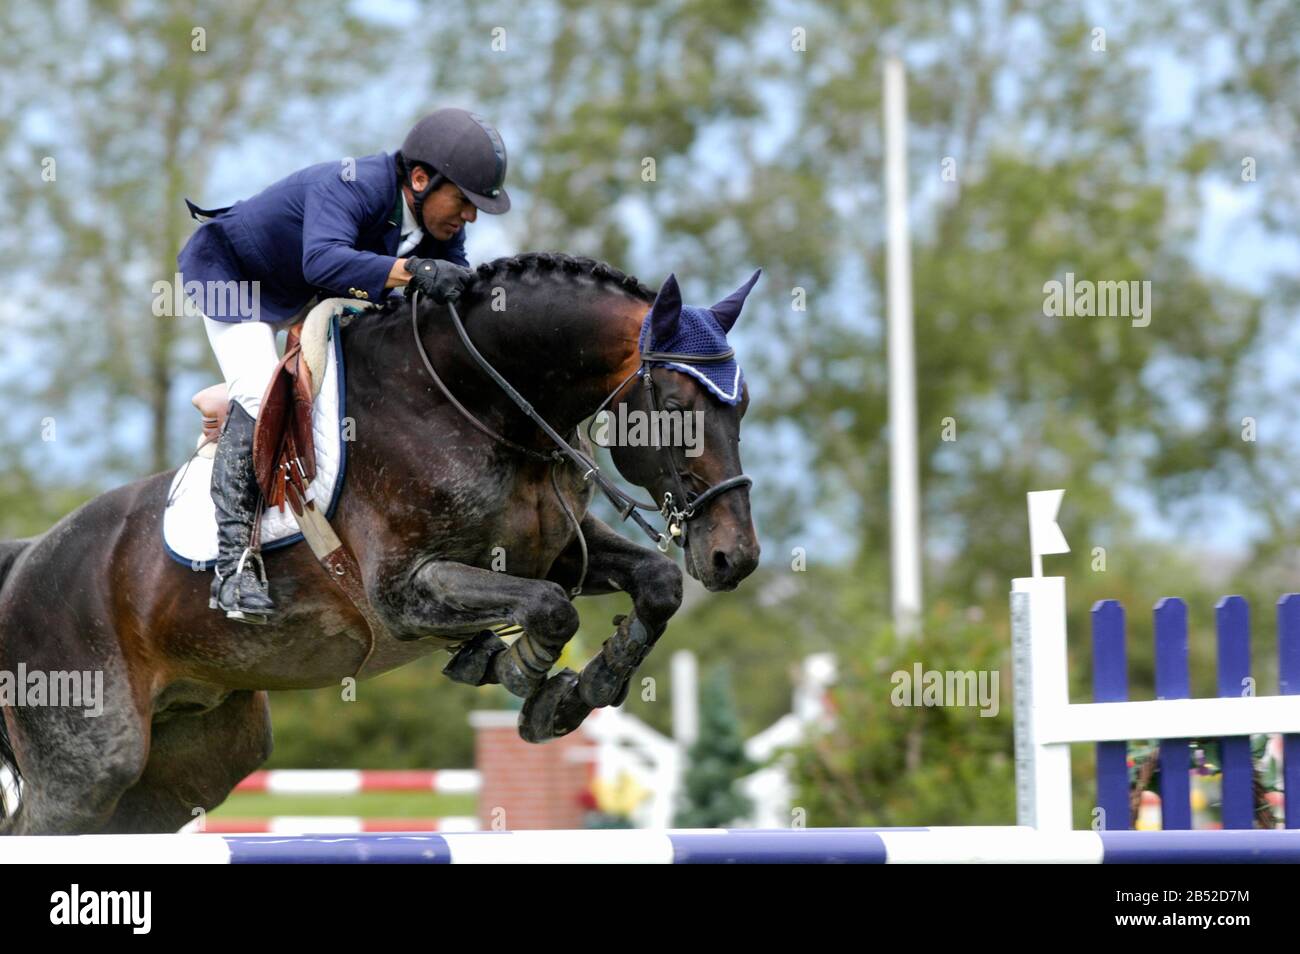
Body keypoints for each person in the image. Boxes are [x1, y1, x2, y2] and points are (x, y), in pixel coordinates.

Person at [176, 107, 512, 623]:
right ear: (420, 179)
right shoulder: (351, 185)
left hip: (306, 295)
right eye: (464, 201)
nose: (468, 217)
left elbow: (448, 288)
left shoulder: (436, 223)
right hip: (235, 279)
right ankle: (233, 568)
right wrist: (416, 270)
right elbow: (324, 261)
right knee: (260, 390)